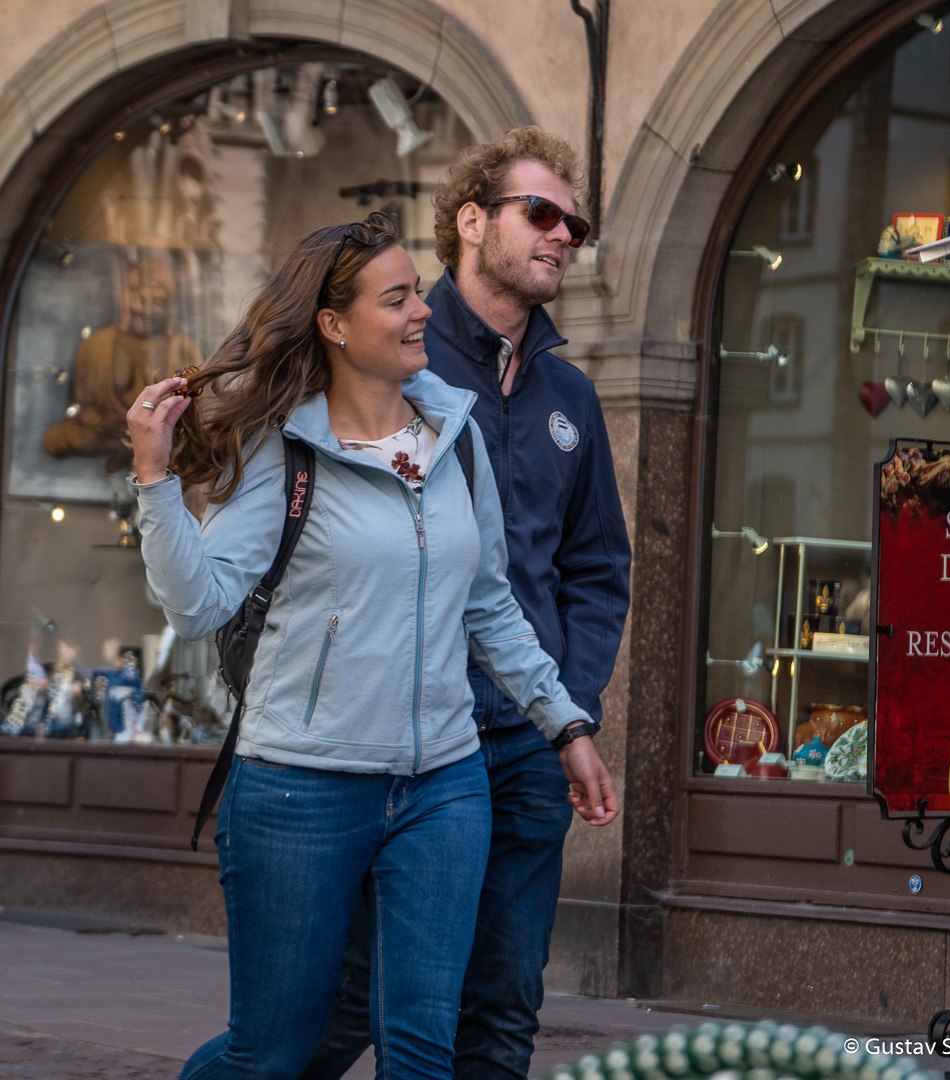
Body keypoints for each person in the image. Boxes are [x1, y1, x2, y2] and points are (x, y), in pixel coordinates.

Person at [124, 211, 618, 1080]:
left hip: (444, 786)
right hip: (299, 788)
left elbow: (492, 606)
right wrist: (156, 480)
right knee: (271, 1053)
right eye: (397, 300)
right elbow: (197, 605)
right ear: (335, 325)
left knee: (423, 1050)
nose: (422, 311)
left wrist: (565, 726)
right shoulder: (283, 453)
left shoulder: (456, 439)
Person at [304, 128, 632, 1079]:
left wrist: (566, 705)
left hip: (527, 744)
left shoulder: (570, 393)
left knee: (502, 1006)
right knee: (351, 1002)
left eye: (574, 222)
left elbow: (597, 565)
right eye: (543, 213)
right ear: (473, 220)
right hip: (401, 737)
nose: (564, 233)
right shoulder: (393, 355)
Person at [46, 250, 203, 472]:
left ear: (172, 305)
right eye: (140, 298)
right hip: (105, 433)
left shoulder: (183, 348)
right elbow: (84, 409)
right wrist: (105, 424)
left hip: (164, 434)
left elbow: (199, 412)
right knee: (58, 439)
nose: (146, 309)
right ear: (126, 299)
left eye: (158, 300)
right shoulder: (97, 344)